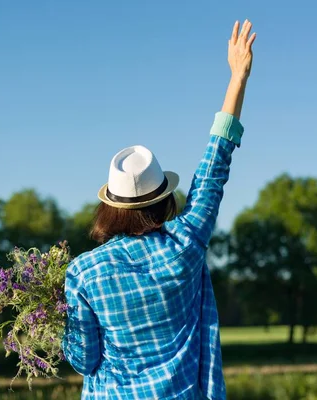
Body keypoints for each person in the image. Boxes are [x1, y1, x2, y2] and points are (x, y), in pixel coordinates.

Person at [62, 19, 256, 400]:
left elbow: (84, 360)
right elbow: (213, 171)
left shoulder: (83, 272)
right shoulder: (186, 244)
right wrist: (237, 78)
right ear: (164, 199)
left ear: (110, 207)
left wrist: (58, 320)